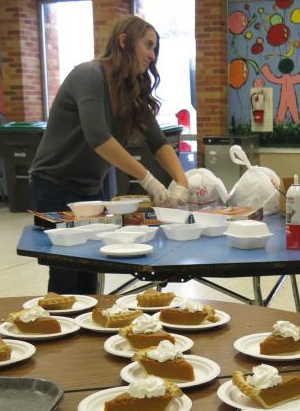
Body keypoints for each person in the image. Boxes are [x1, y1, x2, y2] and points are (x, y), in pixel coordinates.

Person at [30, 15, 190, 295]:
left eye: (156, 49)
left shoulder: (132, 88)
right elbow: (98, 138)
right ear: (124, 41)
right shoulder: (89, 74)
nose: (153, 56)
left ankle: (85, 330)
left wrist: (181, 181)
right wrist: (148, 179)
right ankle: (58, 327)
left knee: (90, 269)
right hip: (54, 185)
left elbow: (157, 140)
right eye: (148, 45)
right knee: (67, 273)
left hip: (90, 188)